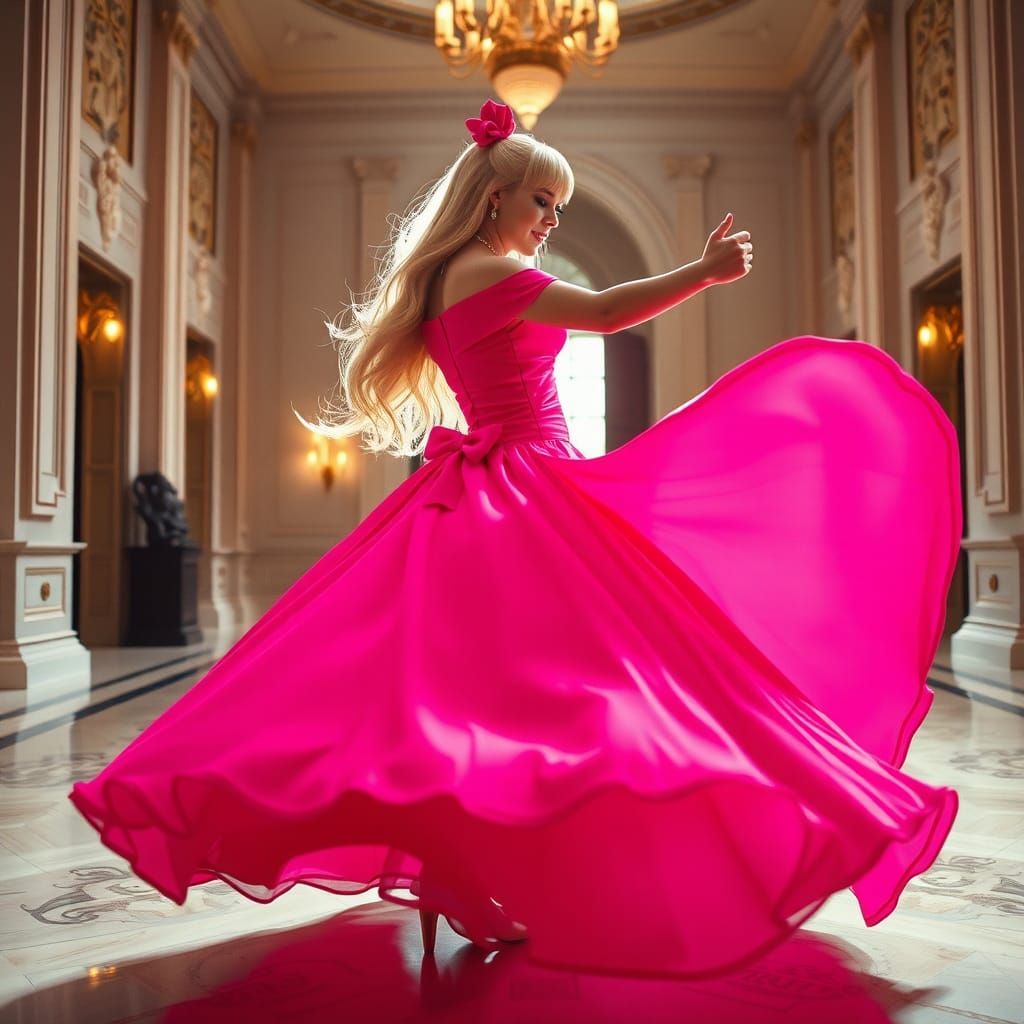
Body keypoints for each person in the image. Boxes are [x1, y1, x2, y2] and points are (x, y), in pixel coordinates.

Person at [68, 98, 961, 979]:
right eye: (541, 203)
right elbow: (609, 313)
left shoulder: (453, 278)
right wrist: (703, 271)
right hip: (527, 485)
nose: (549, 221)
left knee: (512, 697)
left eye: (559, 209)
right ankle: (577, 861)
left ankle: (514, 876)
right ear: (494, 198)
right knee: (596, 683)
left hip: (513, 481)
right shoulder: (484, 274)